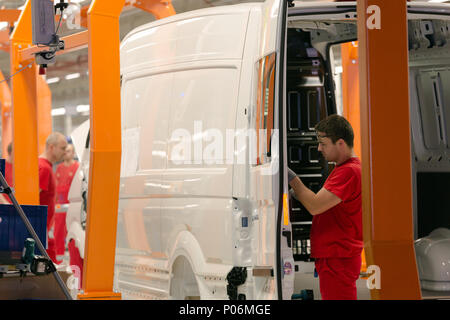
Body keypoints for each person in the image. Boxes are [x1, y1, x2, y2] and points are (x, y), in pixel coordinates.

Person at [288, 114, 363, 300]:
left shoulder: (348, 172)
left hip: (338, 256)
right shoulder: (344, 169)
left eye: (323, 143)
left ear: (340, 143)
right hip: (336, 255)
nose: (319, 148)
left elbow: (314, 206)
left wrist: (291, 178)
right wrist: (298, 194)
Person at [39, 132, 68, 263]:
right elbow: (32, 199)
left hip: (43, 228)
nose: (65, 152)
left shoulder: (46, 167)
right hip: (40, 228)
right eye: (62, 148)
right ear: (51, 147)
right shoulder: (44, 168)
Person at [54, 143, 79, 261]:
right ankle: (58, 258)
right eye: (64, 150)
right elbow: (55, 187)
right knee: (58, 231)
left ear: (73, 153)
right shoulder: (59, 168)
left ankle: (74, 258)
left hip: (73, 203)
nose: (65, 153)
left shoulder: (77, 167)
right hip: (60, 204)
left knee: (72, 231)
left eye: (68, 151)